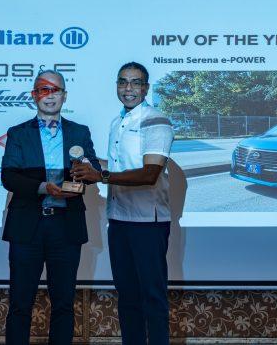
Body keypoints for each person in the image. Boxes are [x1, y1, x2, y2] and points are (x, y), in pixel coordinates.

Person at [71, 62, 174, 345]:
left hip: (148, 223)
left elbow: (150, 173)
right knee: (127, 297)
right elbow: (116, 167)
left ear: (146, 88)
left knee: (152, 297)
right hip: (118, 220)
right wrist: (88, 164)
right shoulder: (117, 122)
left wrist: (101, 176)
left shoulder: (156, 121)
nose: (128, 88)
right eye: (123, 82)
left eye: (135, 82)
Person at [1, 70, 101, 345]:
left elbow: (91, 171)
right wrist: (44, 187)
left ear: (64, 96)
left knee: (64, 304)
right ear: (34, 96)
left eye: (55, 90)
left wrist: (86, 172)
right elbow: (9, 177)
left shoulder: (80, 132)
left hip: (65, 227)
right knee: (20, 304)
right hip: (27, 229)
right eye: (43, 89)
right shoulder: (18, 133)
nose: (49, 95)